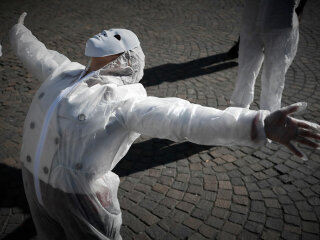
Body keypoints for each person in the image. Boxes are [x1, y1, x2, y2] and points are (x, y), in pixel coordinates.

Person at [10, 13, 319, 240]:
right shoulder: (64, 72)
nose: (107, 30)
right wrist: (18, 30)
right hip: (34, 182)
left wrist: (259, 123)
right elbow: (36, 52)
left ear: (127, 60)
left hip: (79, 197)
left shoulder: (126, 101)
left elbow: (184, 118)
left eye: (118, 36)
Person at [230, 0, 302, 112]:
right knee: (245, 71)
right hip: (253, 17)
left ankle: (268, 118)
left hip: (280, 19)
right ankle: (237, 114)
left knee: (274, 79)